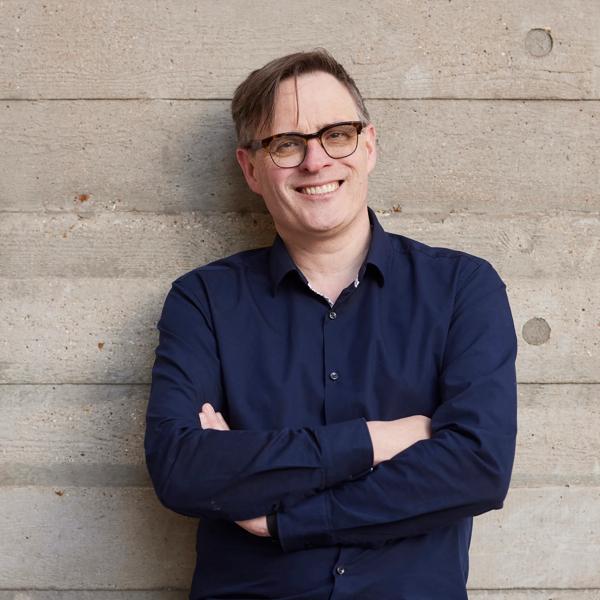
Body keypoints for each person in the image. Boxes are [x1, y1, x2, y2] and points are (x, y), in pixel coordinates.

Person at [144, 48, 518, 600]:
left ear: (368, 146)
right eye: (286, 143)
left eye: (336, 134)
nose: (315, 162)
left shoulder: (463, 288)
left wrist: (282, 519)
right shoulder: (203, 300)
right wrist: (380, 439)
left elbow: (479, 467)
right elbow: (182, 469)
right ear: (251, 168)